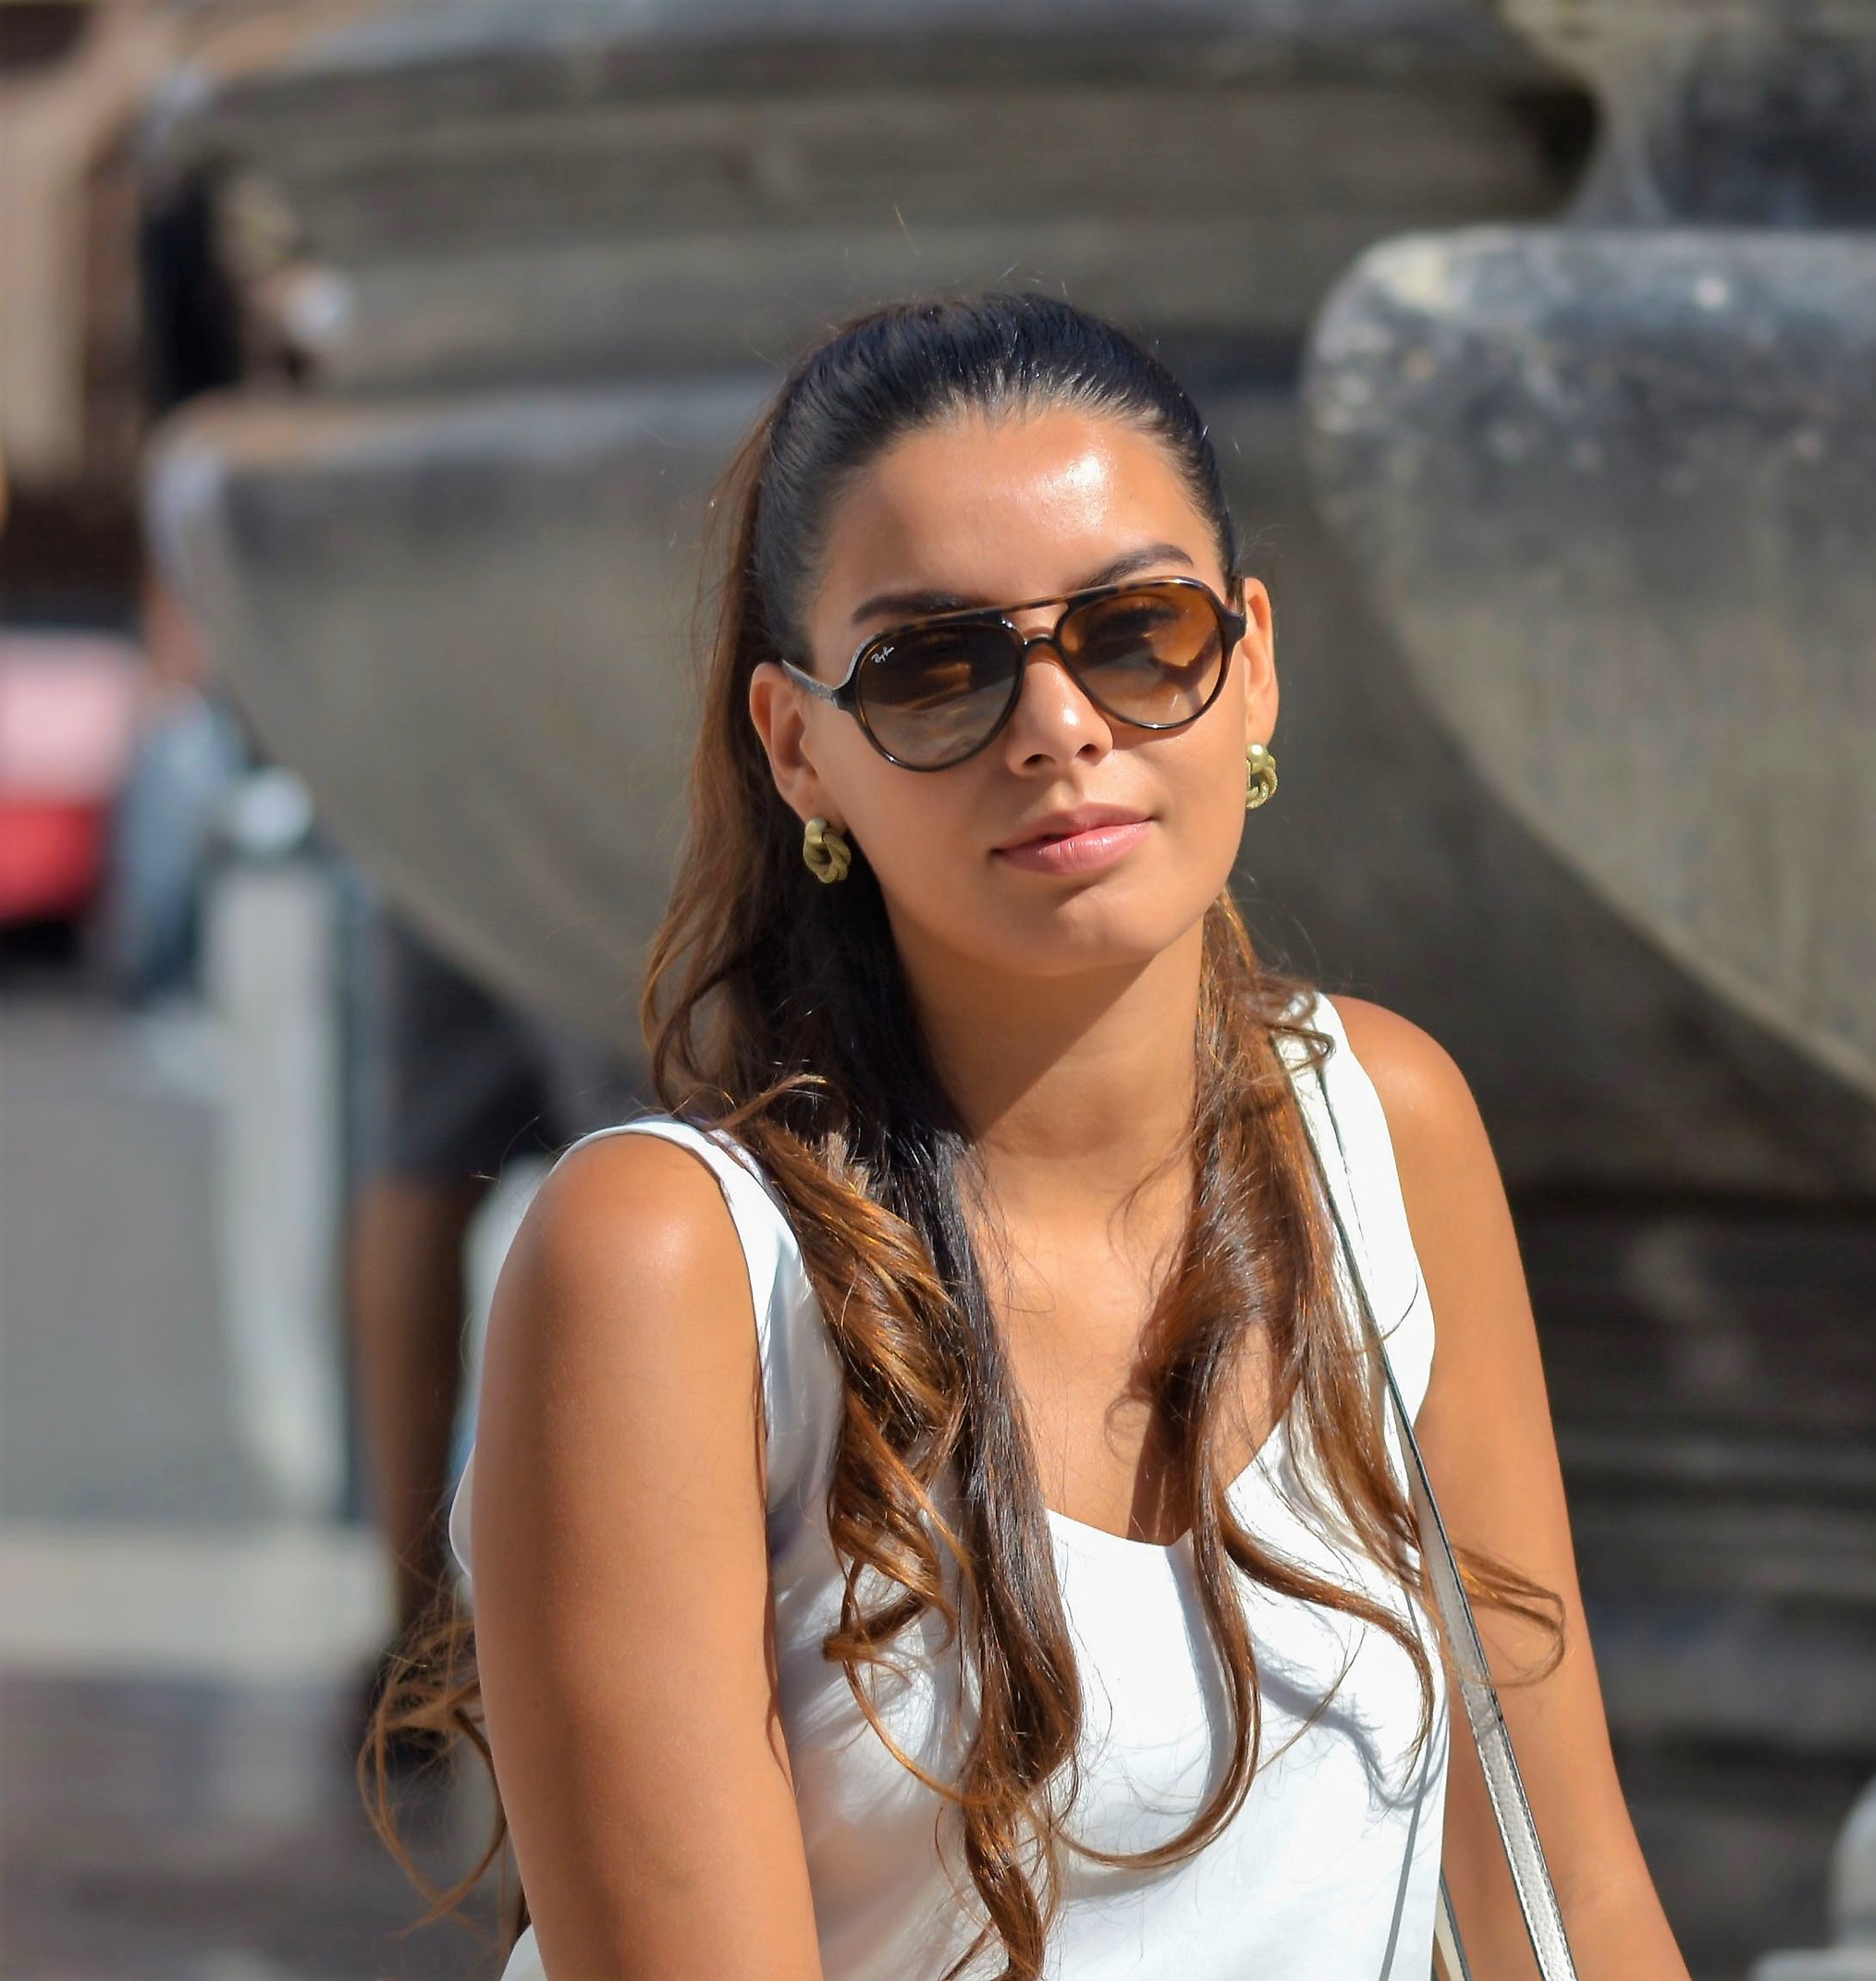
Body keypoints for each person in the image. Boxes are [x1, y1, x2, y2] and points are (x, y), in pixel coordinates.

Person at [376, 295, 1686, 1979]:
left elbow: (1566, 1901)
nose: (1059, 724)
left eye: (1139, 632)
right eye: (935, 667)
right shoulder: (674, 1266)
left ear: (1255, 661)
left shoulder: (1381, 1132)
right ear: (800, 748)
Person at [348, 903, 638, 1678]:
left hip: (437, 828)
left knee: (418, 1169)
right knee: (654, 1157)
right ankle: (628, 1618)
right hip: (601, 828)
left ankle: (412, 1632)